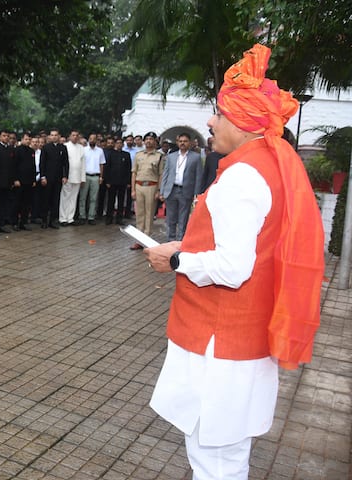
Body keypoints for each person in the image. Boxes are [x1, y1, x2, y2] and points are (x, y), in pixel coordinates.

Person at [144, 44, 325, 480]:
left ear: (243, 123)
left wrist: (177, 257)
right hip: (237, 338)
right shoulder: (264, 166)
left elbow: (232, 267)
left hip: (220, 343)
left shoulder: (243, 177)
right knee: (224, 457)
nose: (210, 121)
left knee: (216, 459)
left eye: (219, 114)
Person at [159, 132, 203, 241]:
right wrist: (162, 191)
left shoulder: (196, 157)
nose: (182, 143)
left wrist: (196, 194)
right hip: (171, 190)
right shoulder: (171, 156)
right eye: (180, 141)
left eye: (185, 141)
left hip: (186, 191)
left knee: (183, 219)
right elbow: (166, 174)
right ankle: (170, 240)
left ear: (190, 143)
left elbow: (198, 177)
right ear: (177, 143)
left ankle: (180, 242)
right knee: (170, 218)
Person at [130, 132, 164, 249]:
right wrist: (133, 189)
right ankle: (138, 240)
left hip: (152, 186)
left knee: (149, 214)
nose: (148, 141)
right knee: (139, 214)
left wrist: (159, 190)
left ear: (155, 142)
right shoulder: (138, 155)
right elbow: (134, 172)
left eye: (151, 139)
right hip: (139, 186)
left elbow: (161, 175)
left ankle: (146, 239)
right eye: (147, 139)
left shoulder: (159, 156)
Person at [38, 128, 69, 229]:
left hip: (58, 178)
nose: (54, 137)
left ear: (59, 136)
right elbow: (42, 163)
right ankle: (44, 220)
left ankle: (52, 221)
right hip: (47, 178)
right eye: (52, 135)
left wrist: (65, 176)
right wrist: (43, 177)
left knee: (56, 200)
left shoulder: (63, 148)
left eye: (56, 135)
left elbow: (65, 163)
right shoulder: (46, 147)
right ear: (49, 137)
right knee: (46, 199)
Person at [103, 137, 132, 225]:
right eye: (117, 143)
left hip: (122, 182)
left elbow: (128, 169)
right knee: (110, 200)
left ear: (123, 145)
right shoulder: (111, 154)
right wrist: (107, 181)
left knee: (121, 201)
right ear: (115, 144)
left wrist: (128, 182)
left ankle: (119, 218)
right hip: (112, 181)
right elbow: (107, 168)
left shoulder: (126, 154)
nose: (119, 144)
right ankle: (109, 218)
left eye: (121, 143)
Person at [78, 133, 105, 225]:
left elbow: (101, 164)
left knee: (93, 198)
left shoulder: (100, 151)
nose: (92, 140)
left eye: (94, 139)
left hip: (95, 177)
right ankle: (82, 216)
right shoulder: (84, 150)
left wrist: (101, 177)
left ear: (97, 140)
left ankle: (91, 217)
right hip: (85, 176)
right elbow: (80, 164)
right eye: (90, 138)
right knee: (83, 197)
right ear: (88, 140)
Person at [60, 130, 85, 226]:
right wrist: (64, 175)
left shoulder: (81, 148)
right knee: (65, 197)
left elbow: (83, 164)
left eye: (76, 135)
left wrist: (83, 178)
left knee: (73, 198)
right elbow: (63, 163)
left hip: (78, 176)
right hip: (68, 176)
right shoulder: (65, 146)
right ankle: (63, 218)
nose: (75, 137)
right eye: (73, 135)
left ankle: (70, 218)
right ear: (70, 136)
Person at [13, 132, 36, 230]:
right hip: (19, 181)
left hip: (29, 181)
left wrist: (34, 179)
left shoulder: (31, 151)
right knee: (17, 202)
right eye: (26, 139)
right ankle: (14, 222)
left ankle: (24, 222)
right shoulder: (17, 150)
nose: (28, 141)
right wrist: (15, 179)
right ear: (22, 139)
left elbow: (33, 166)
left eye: (29, 139)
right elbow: (14, 166)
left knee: (26, 203)